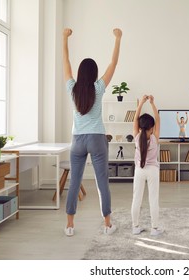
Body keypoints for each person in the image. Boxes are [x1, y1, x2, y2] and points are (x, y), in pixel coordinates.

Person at [62, 27, 122, 236]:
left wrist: (64, 38)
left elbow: (66, 63)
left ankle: (70, 225)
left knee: (74, 182)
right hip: (97, 138)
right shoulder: (99, 87)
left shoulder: (72, 87)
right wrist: (117, 38)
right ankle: (107, 224)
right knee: (101, 182)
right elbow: (113, 64)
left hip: (77, 140)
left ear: (80, 73)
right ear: (95, 74)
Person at [131, 95, 163, 236]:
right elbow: (158, 119)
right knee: (153, 200)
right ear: (152, 128)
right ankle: (155, 229)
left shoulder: (136, 137)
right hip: (153, 171)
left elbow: (135, 119)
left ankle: (135, 227)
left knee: (136, 199)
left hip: (139, 170)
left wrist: (141, 103)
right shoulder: (155, 137)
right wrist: (152, 103)